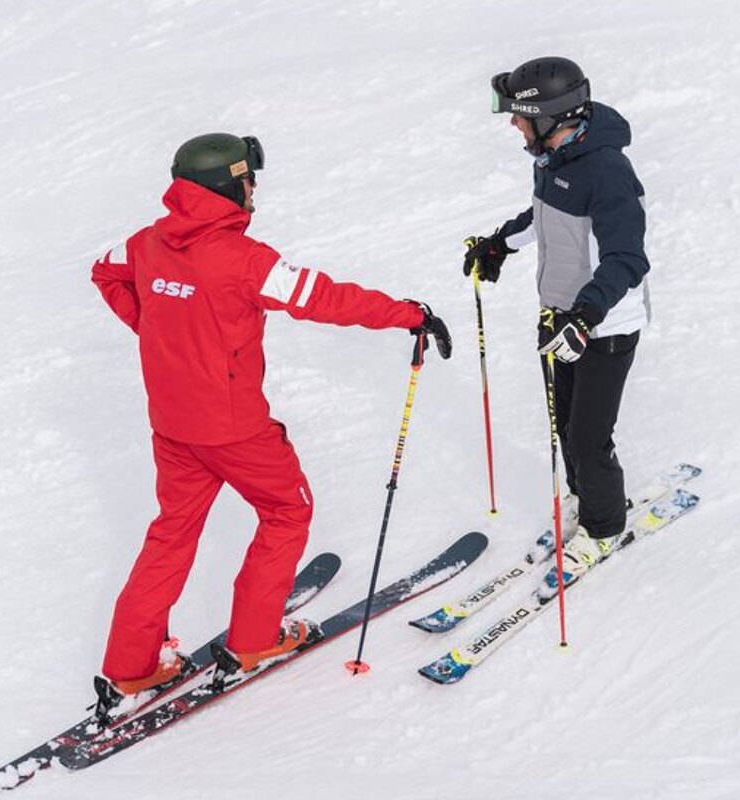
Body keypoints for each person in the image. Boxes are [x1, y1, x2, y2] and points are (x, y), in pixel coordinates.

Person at [89, 132, 450, 717]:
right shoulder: (244, 261)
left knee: (172, 532)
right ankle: (254, 639)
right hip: (234, 430)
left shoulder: (145, 244)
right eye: (250, 179)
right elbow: (324, 298)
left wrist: (159, 334)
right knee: (288, 509)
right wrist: (408, 314)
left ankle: (131, 668)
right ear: (231, 186)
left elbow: (104, 271)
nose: (255, 189)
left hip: (174, 426)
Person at [462, 56, 651, 575]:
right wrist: (500, 244)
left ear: (551, 117)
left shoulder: (607, 171)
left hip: (604, 325)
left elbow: (627, 259)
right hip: (559, 319)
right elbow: (545, 217)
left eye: (520, 116)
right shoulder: (554, 159)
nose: (513, 124)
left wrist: (586, 316)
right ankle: (581, 500)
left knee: (590, 436)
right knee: (564, 424)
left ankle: (605, 527)